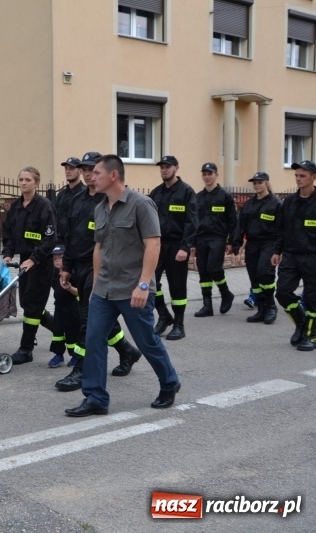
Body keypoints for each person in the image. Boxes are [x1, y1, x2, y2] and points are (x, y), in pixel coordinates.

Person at [65, 155, 181, 417]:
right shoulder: (100, 208)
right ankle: (95, 398)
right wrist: (95, 284)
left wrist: (143, 284)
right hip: (104, 289)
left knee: (147, 341)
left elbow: (154, 245)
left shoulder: (141, 204)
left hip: (133, 289)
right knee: (94, 339)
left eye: (96, 173)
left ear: (113, 176)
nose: (91, 177)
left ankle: (169, 383)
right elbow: (99, 248)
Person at [56, 151, 142, 392]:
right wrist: (66, 268)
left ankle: (81, 369)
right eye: (84, 169)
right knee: (98, 317)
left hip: (102, 269)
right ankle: (127, 351)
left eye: (92, 170)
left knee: (88, 320)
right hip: (79, 268)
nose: (87, 174)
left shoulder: (108, 202)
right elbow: (70, 237)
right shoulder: (77, 200)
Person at [1, 166, 57, 364]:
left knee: (32, 305)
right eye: (21, 179)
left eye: (28, 180)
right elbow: (7, 233)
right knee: (27, 303)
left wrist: (34, 259)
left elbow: (50, 239)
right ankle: (61, 329)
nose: (23, 183)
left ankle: (26, 349)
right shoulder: (15, 207)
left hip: (41, 262)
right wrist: (7, 253)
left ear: (36, 183)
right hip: (23, 261)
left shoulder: (44, 206)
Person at [149, 155, 198, 341]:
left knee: (177, 286)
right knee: (150, 281)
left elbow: (192, 221)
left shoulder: (186, 192)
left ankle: (179, 324)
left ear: (176, 168)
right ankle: (163, 314)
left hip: (177, 245)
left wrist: (185, 247)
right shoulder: (156, 193)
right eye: (162, 167)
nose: (164, 170)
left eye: (168, 167)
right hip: (158, 245)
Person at [273, 160, 316, 351]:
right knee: (282, 293)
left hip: (312, 256)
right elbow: (281, 229)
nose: (298, 179)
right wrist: (277, 251)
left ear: (313, 178)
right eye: (296, 175)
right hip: (290, 255)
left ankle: (311, 335)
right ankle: (301, 322)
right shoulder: (289, 201)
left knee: (314, 299)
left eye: (302, 176)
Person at [232, 172, 281, 325]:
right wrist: (237, 244)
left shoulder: (276, 203)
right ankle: (261, 309)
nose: (257, 185)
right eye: (255, 182)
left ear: (267, 183)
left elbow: (282, 228)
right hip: (253, 244)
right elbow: (240, 225)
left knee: (264, 273)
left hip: (269, 243)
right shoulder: (249, 204)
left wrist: (279, 249)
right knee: (254, 277)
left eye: (260, 182)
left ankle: (271, 306)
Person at [193, 162, 237, 317]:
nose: (207, 177)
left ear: (216, 175)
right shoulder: (198, 197)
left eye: (210, 174)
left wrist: (231, 241)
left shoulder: (225, 196)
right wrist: (192, 243)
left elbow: (233, 220)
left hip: (218, 237)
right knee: (203, 272)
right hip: (201, 238)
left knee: (214, 269)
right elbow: (193, 221)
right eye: (204, 174)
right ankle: (207, 305)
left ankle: (226, 293)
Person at [47, 245, 81, 368]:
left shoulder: (73, 274)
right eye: (54, 258)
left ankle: (75, 356)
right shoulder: (54, 274)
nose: (56, 260)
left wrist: (69, 288)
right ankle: (58, 355)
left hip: (71, 308)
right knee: (57, 333)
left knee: (72, 333)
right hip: (58, 307)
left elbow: (79, 292)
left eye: (60, 258)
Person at [51, 156, 84, 244]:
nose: (68, 171)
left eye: (72, 168)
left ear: (80, 171)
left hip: (77, 241)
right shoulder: (62, 194)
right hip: (60, 241)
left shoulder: (85, 193)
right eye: (66, 168)